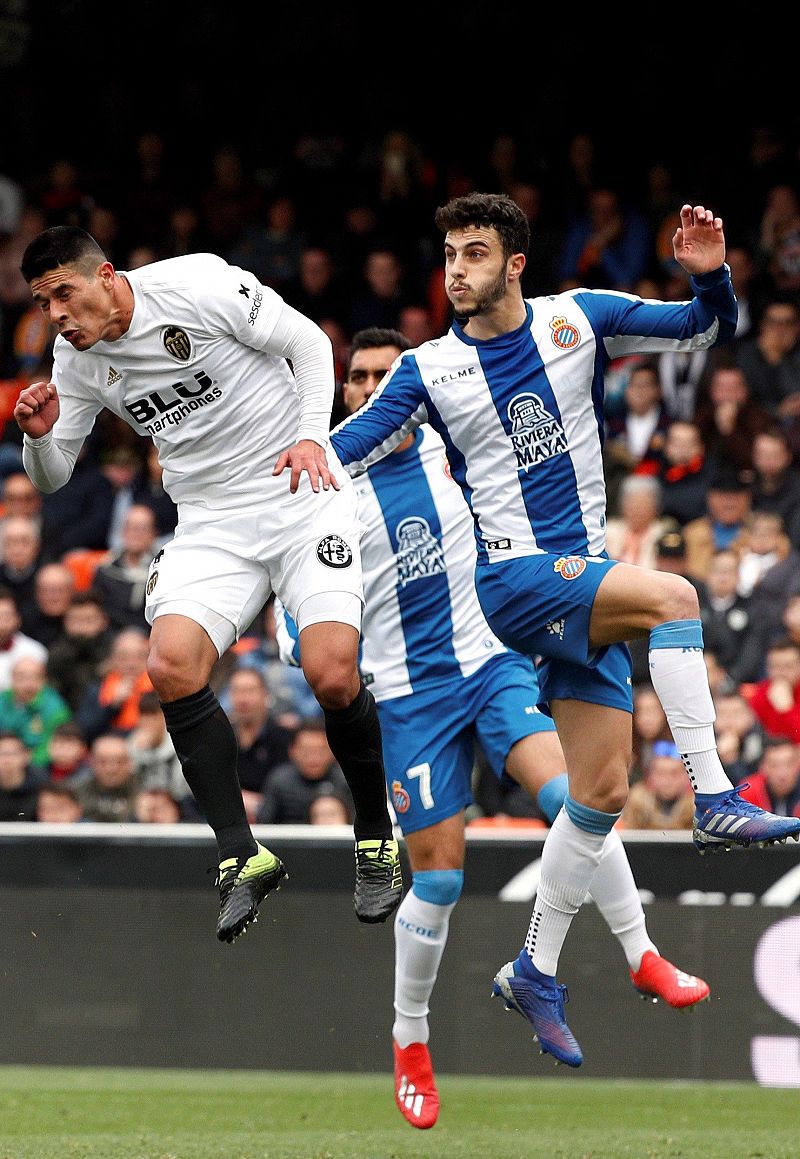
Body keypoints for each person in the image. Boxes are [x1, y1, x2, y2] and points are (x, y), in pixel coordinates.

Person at [329, 195, 796, 1068]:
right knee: (676, 596)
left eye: (473, 252)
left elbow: (702, 329)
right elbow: (349, 445)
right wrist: (280, 464)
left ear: (513, 264)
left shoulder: (580, 318)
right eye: (448, 253)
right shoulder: (427, 369)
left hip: (578, 585)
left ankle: (534, 968)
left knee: (603, 791)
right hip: (513, 579)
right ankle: (715, 796)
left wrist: (710, 274)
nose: (454, 268)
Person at [311, 327, 707, 1129]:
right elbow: (305, 608)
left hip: (495, 668)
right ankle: (410, 1040)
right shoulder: (328, 492)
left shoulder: (459, 453)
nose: (372, 388)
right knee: (442, 878)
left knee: (580, 797)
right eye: (360, 378)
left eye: (387, 376)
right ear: (348, 392)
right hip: (411, 695)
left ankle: (641, 954)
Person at [14, 225, 401, 943]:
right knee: (169, 664)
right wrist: (39, 437)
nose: (58, 314)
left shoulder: (197, 285)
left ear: (104, 274)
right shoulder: (75, 359)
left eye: (65, 292)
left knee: (332, 674)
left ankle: (377, 836)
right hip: (210, 521)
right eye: (44, 302)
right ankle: (241, 855)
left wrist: (314, 433)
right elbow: (53, 475)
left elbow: (311, 344)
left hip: (298, 489)